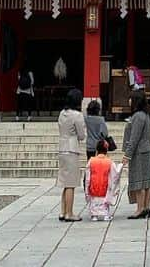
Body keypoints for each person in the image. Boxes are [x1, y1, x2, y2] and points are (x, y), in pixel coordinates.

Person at [121, 90, 150, 219]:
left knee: (140, 181)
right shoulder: (144, 115)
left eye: (131, 98)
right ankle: (146, 207)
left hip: (139, 152)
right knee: (147, 181)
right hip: (145, 150)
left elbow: (134, 138)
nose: (129, 101)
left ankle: (140, 208)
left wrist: (127, 155)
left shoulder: (138, 116)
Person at [57, 88, 87, 222]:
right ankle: (69, 213)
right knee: (71, 183)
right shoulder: (77, 115)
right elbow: (81, 135)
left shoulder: (62, 113)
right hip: (72, 147)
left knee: (64, 182)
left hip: (62, 146)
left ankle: (63, 211)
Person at [83, 140, 122, 221]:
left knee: (94, 201)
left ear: (97, 149)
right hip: (105, 185)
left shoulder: (91, 161)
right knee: (104, 201)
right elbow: (115, 174)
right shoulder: (109, 162)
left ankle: (94, 215)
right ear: (106, 150)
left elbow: (87, 176)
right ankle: (105, 215)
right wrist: (121, 165)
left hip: (94, 185)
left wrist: (87, 188)